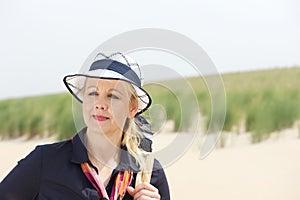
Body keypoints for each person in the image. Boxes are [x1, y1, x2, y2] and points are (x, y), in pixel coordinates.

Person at [0, 52, 170, 200]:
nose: (100, 104)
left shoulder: (149, 174)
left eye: (113, 96)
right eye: (93, 93)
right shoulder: (44, 161)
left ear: (132, 108)